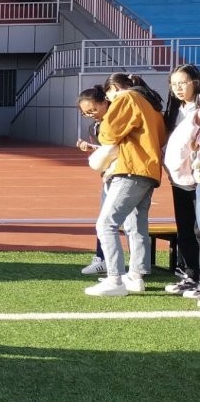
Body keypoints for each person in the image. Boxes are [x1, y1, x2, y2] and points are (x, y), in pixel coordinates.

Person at [84, 73, 166, 297]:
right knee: (136, 225)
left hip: (130, 168)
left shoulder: (126, 97)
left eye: (108, 95)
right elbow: (161, 136)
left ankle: (115, 279)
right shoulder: (151, 104)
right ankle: (135, 276)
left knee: (106, 224)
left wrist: (104, 131)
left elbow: (108, 134)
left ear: (114, 88)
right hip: (148, 169)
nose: (109, 100)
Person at [161, 65, 200, 296]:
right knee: (185, 228)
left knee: (198, 229)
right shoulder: (175, 111)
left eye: (183, 83)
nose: (178, 88)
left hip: (197, 177)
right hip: (179, 179)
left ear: (196, 82)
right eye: (174, 84)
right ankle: (191, 275)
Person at [76, 86, 110, 275]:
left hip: (126, 175)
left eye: (93, 110)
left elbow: (115, 148)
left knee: (114, 223)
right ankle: (102, 258)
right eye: (86, 113)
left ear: (104, 102)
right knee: (105, 221)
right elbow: (105, 150)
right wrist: (91, 148)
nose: (91, 115)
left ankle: (136, 269)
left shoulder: (115, 121)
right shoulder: (95, 126)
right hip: (109, 176)